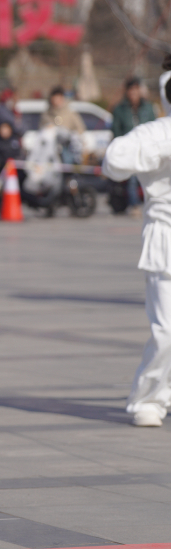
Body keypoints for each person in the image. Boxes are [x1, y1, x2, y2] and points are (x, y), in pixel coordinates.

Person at [101, 73, 171, 427]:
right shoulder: (158, 132)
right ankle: (149, 398)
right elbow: (113, 161)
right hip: (166, 237)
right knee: (167, 332)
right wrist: (164, 146)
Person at [111, 77, 158, 214]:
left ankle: (152, 203)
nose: (133, 93)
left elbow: (154, 127)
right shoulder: (120, 109)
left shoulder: (148, 107)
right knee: (132, 179)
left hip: (147, 148)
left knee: (151, 178)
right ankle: (134, 204)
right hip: (129, 150)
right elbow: (116, 131)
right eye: (131, 90)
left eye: (136, 89)